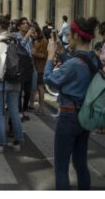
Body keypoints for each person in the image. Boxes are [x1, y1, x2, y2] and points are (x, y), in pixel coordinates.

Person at [44, 17, 100, 190]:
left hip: (68, 116)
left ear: (76, 36)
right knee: (80, 163)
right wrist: (62, 54)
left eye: (68, 34)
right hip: (84, 115)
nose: (66, 38)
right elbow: (77, 68)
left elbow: (50, 79)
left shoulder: (75, 63)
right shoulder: (94, 58)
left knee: (61, 167)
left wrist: (50, 56)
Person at [0, 15, 24, 153]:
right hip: (16, 80)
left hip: (0, 81)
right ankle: (17, 141)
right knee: (14, 111)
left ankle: (1, 144)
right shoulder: (15, 40)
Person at [30, 22, 48, 114]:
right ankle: (31, 105)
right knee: (33, 87)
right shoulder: (32, 40)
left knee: (40, 87)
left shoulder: (43, 41)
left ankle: (41, 107)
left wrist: (34, 54)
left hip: (40, 68)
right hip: (33, 67)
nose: (32, 35)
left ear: (38, 32)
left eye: (33, 33)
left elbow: (44, 55)